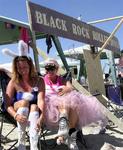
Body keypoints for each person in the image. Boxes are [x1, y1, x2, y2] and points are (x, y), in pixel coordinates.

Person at [43, 58, 108, 150]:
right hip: (50, 109)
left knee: (73, 102)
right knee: (70, 102)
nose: (50, 71)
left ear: (57, 69)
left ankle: (66, 133)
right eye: (48, 68)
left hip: (65, 108)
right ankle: (70, 138)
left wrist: (66, 89)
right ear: (45, 70)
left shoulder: (61, 79)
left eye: (52, 68)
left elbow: (71, 88)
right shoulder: (42, 80)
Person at [5, 56, 45, 150]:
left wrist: (42, 117)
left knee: (34, 106)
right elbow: (7, 105)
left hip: (34, 112)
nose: (22, 70)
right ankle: (21, 140)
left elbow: (41, 100)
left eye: (25, 67)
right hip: (17, 110)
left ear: (30, 66)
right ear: (16, 68)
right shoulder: (14, 82)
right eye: (19, 68)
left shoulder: (39, 81)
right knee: (25, 101)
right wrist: (15, 116)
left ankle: (34, 145)